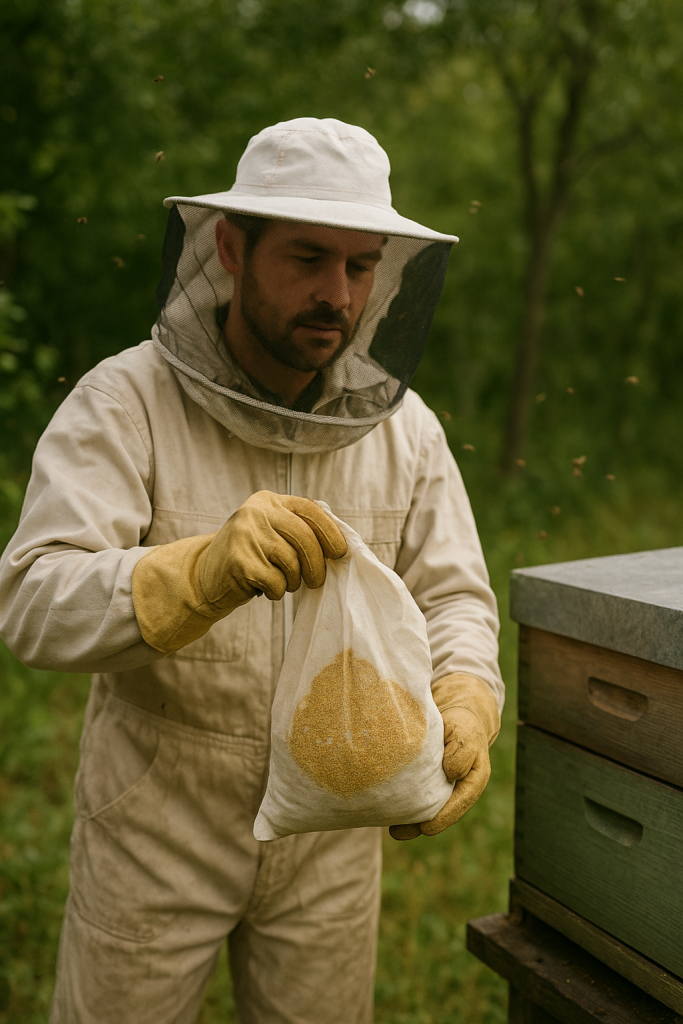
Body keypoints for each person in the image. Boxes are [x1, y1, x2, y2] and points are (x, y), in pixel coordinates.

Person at [0, 117, 504, 1024]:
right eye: (307, 258)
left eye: (359, 267)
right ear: (230, 247)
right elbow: (33, 598)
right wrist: (189, 575)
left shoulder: (407, 431)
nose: (336, 294)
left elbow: (454, 595)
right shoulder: (125, 402)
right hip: (158, 820)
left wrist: (464, 692)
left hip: (336, 829)